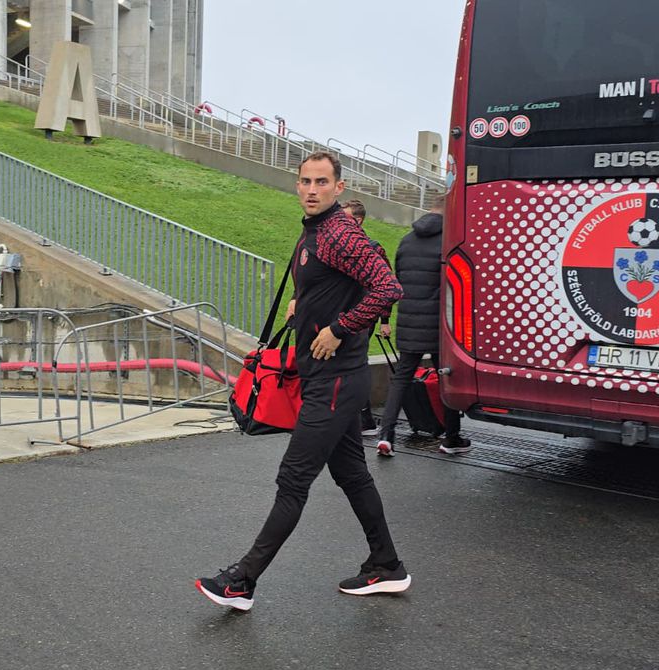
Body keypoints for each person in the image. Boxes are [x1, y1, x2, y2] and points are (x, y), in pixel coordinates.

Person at [196, 151, 409, 611]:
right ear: (297, 185)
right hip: (325, 378)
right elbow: (330, 283)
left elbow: (388, 288)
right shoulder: (314, 231)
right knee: (352, 475)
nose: (311, 189)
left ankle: (242, 581)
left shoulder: (338, 232)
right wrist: (305, 301)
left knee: (293, 480)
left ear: (339, 186)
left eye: (321, 182)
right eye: (304, 181)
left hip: (334, 381)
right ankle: (387, 565)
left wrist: (339, 327)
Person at [375, 197, 471, 457]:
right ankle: (451, 438)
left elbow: (398, 281)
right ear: (449, 211)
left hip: (408, 321)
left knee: (401, 378)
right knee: (446, 377)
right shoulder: (449, 243)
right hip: (441, 327)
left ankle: (386, 434)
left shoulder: (406, 241)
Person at [343, 199, 394, 436]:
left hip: (362, 317)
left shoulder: (373, 248)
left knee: (356, 364)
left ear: (358, 220)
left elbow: (387, 286)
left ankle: (364, 420)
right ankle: (354, 418)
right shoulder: (337, 244)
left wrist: (384, 320)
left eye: (345, 217)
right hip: (339, 316)